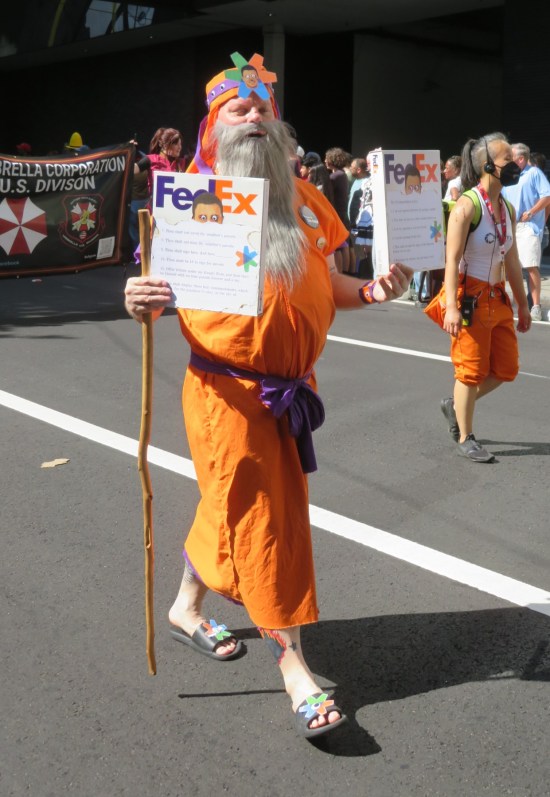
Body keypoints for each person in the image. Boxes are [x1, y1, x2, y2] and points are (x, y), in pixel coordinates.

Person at [124, 51, 413, 739]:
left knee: (231, 506)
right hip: (226, 395)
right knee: (265, 525)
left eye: (262, 109)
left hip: (291, 390)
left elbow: (330, 286)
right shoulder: (190, 199)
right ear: (214, 126)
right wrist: (137, 298)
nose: (253, 117)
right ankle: (295, 669)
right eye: (239, 109)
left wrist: (375, 290)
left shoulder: (305, 199)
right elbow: (155, 294)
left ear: (278, 126)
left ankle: (186, 606)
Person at [440, 132, 531, 462]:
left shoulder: (507, 207)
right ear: (488, 165)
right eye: (508, 158)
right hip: (470, 299)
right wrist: (451, 307)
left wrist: (523, 304)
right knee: (470, 371)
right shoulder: (467, 205)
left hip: (498, 297)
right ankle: (466, 437)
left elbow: (512, 260)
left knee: (506, 369)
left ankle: (455, 404)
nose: (516, 162)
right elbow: (451, 260)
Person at [501, 142, 550, 321]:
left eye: (511, 156)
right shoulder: (509, 176)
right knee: (510, 267)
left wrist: (531, 212)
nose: (507, 160)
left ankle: (535, 306)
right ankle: (517, 303)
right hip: (510, 225)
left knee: (530, 266)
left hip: (527, 226)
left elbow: (547, 196)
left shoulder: (534, 173)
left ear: (521, 159)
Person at [134, 127, 186, 198]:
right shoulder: (151, 159)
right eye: (176, 144)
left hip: (176, 203)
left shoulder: (182, 163)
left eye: (180, 144)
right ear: (165, 145)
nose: (180, 147)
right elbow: (130, 170)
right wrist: (130, 153)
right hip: (154, 203)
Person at [324, 147, 352, 273]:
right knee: (345, 245)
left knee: (339, 246)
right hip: (343, 213)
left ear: (333, 160)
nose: (325, 161)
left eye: (327, 158)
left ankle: (340, 273)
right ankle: (347, 272)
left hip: (337, 214)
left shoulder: (335, 177)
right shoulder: (342, 175)